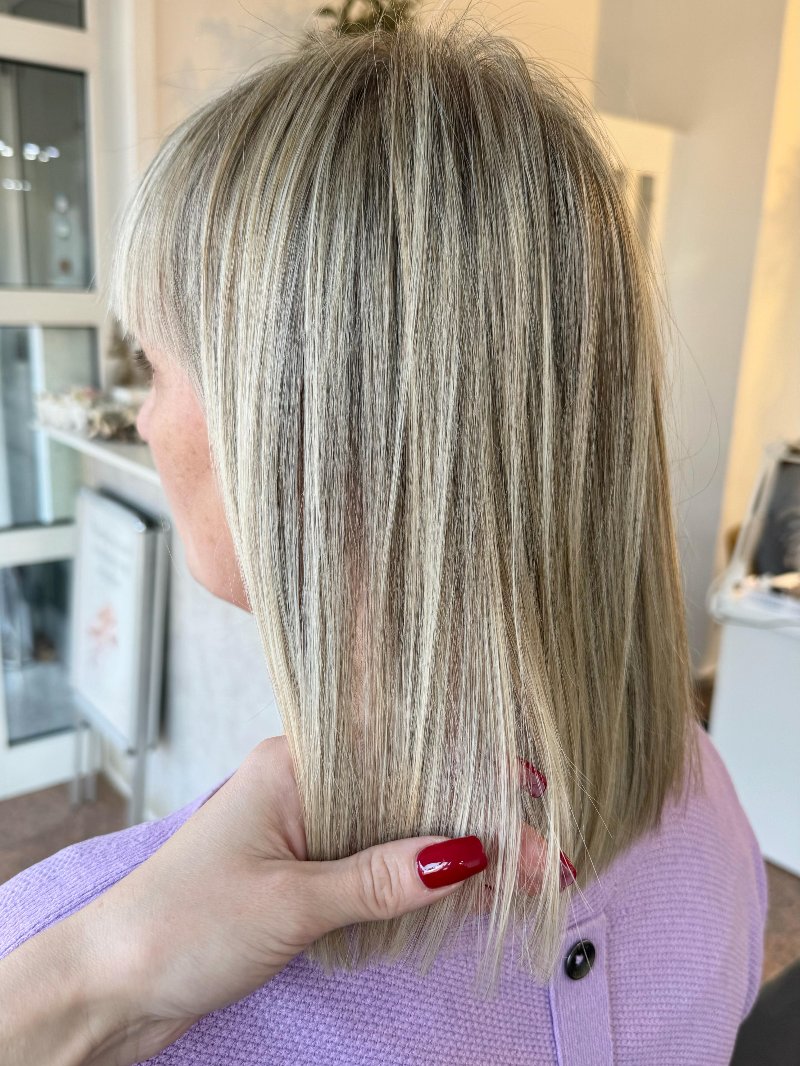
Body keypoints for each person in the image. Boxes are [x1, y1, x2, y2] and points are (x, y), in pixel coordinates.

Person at [0, 12, 767, 1065]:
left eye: (153, 364)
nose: (144, 416)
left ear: (298, 436)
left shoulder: (73, 969)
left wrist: (91, 981)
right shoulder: (703, 791)